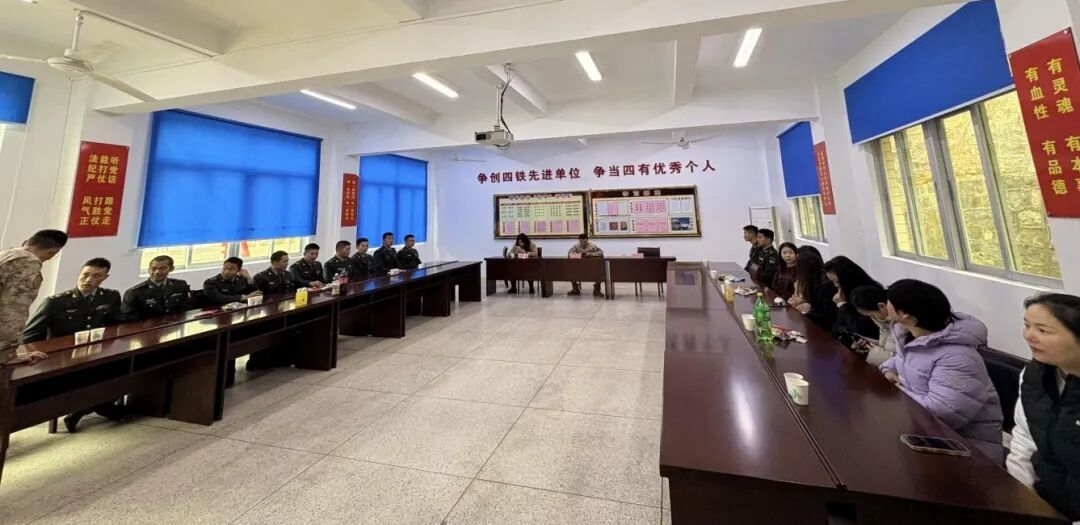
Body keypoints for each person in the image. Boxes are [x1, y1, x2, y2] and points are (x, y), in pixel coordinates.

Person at [880, 279, 1004, 463]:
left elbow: (943, 413)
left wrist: (897, 388)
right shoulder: (912, 337)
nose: (885, 304)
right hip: (925, 434)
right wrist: (888, 369)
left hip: (966, 451)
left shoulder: (958, 358)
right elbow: (902, 360)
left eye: (889, 301)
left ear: (904, 313)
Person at [21, 258, 124, 432]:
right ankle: (101, 407)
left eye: (97, 276)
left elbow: (115, 324)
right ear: (79, 274)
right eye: (85, 275)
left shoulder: (110, 296)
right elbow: (30, 336)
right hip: (64, 358)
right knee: (89, 378)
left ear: (105, 277)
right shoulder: (56, 302)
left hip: (97, 353)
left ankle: (82, 410)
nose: (89, 280)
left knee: (121, 370)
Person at [1007, 293, 1080, 521]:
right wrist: (1022, 495)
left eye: (1043, 330)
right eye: (1027, 325)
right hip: (1048, 500)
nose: (1029, 336)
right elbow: (1025, 437)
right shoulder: (1034, 376)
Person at [0, 229, 67, 366]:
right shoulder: (29, 263)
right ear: (53, 251)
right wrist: (7, 356)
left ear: (26, 242)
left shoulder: (6, 255)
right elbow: (12, 312)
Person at [823, 256, 881, 348]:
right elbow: (839, 324)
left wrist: (842, 305)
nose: (835, 285)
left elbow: (862, 327)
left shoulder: (866, 293)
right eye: (832, 281)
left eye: (837, 281)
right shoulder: (844, 292)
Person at [122, 255, 191, 322]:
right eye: (153, 268)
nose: (157, 272)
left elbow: (186, 310)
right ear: (148, 269)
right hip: (149, 328)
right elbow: (128, 320)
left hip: (175, 325)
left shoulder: (180, 286)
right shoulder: (134, 293)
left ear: (171, 269)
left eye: (162, 268)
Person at [787, 250, 838, 331]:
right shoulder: (811, 280)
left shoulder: (825, 284)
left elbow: (825, 315)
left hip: (825, 327)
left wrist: (806, 313)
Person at [849, 283, 897, 367]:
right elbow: (886, 345)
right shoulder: (885, 323)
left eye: (872, 315)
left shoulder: (902, 327)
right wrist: (868, 344)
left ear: (881, 306)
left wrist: (870, 353)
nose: (873, 318)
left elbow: (902, 363)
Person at [567, 233, 604, 297]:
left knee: (599, 271)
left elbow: (601, 253)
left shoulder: (592, 246)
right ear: (579, 240)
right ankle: (575, 289)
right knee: (571, 271)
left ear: (587, 240)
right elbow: (570, 255)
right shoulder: (576, 246)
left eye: (585, 242)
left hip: (591, 267)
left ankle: (597, 290)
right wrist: (580, 255)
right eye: (581, 242)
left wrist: (590, 254)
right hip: (579, 267)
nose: (583, 243)